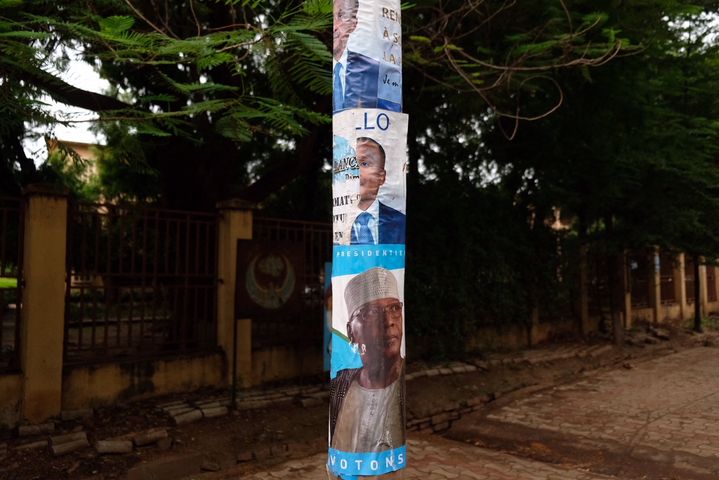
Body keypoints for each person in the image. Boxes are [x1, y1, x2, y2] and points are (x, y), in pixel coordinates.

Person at [329, 267, 406, 452]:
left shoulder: (405, 381)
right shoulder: (341, 384)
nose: (388, 321)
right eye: (372, 312)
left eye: (395, 308)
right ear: (351, 332)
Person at [333, 0, 401, 113]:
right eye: (333, 18)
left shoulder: (375, 71)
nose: (335, 26)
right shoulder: (321, 75)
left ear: (353, 24)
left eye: (341, 16)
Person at [346, 137, 405, 245]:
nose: (355, 172)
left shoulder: (399, 221)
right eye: (350, 164)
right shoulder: (338, 222)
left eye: (364, 164)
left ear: (381, 177)